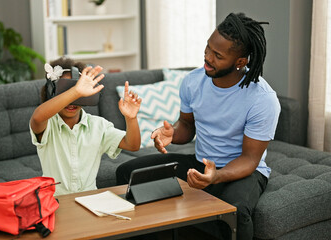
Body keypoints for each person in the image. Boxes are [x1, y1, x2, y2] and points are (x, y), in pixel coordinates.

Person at [116, 13, 280, 240]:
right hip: (202, 163)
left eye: (217, 55)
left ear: (240, 62)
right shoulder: (193, 81)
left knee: (236, 212)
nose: (207, 57)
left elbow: (250, 160)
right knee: (128, 173)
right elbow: (186, 125)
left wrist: (216, 177)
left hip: (243, 172)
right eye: (207, 48)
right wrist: (172, 133)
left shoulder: (262, 99)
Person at [30, 57, 142, 196]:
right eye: (66, 92)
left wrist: (131, 118)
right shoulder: (47, 124)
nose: (72, 102)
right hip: (54, 201)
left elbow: (132, 145)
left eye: (80, 94)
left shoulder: (98, 126)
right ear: (51, 92)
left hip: (89, 200)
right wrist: (76, 91)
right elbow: (37, 117)